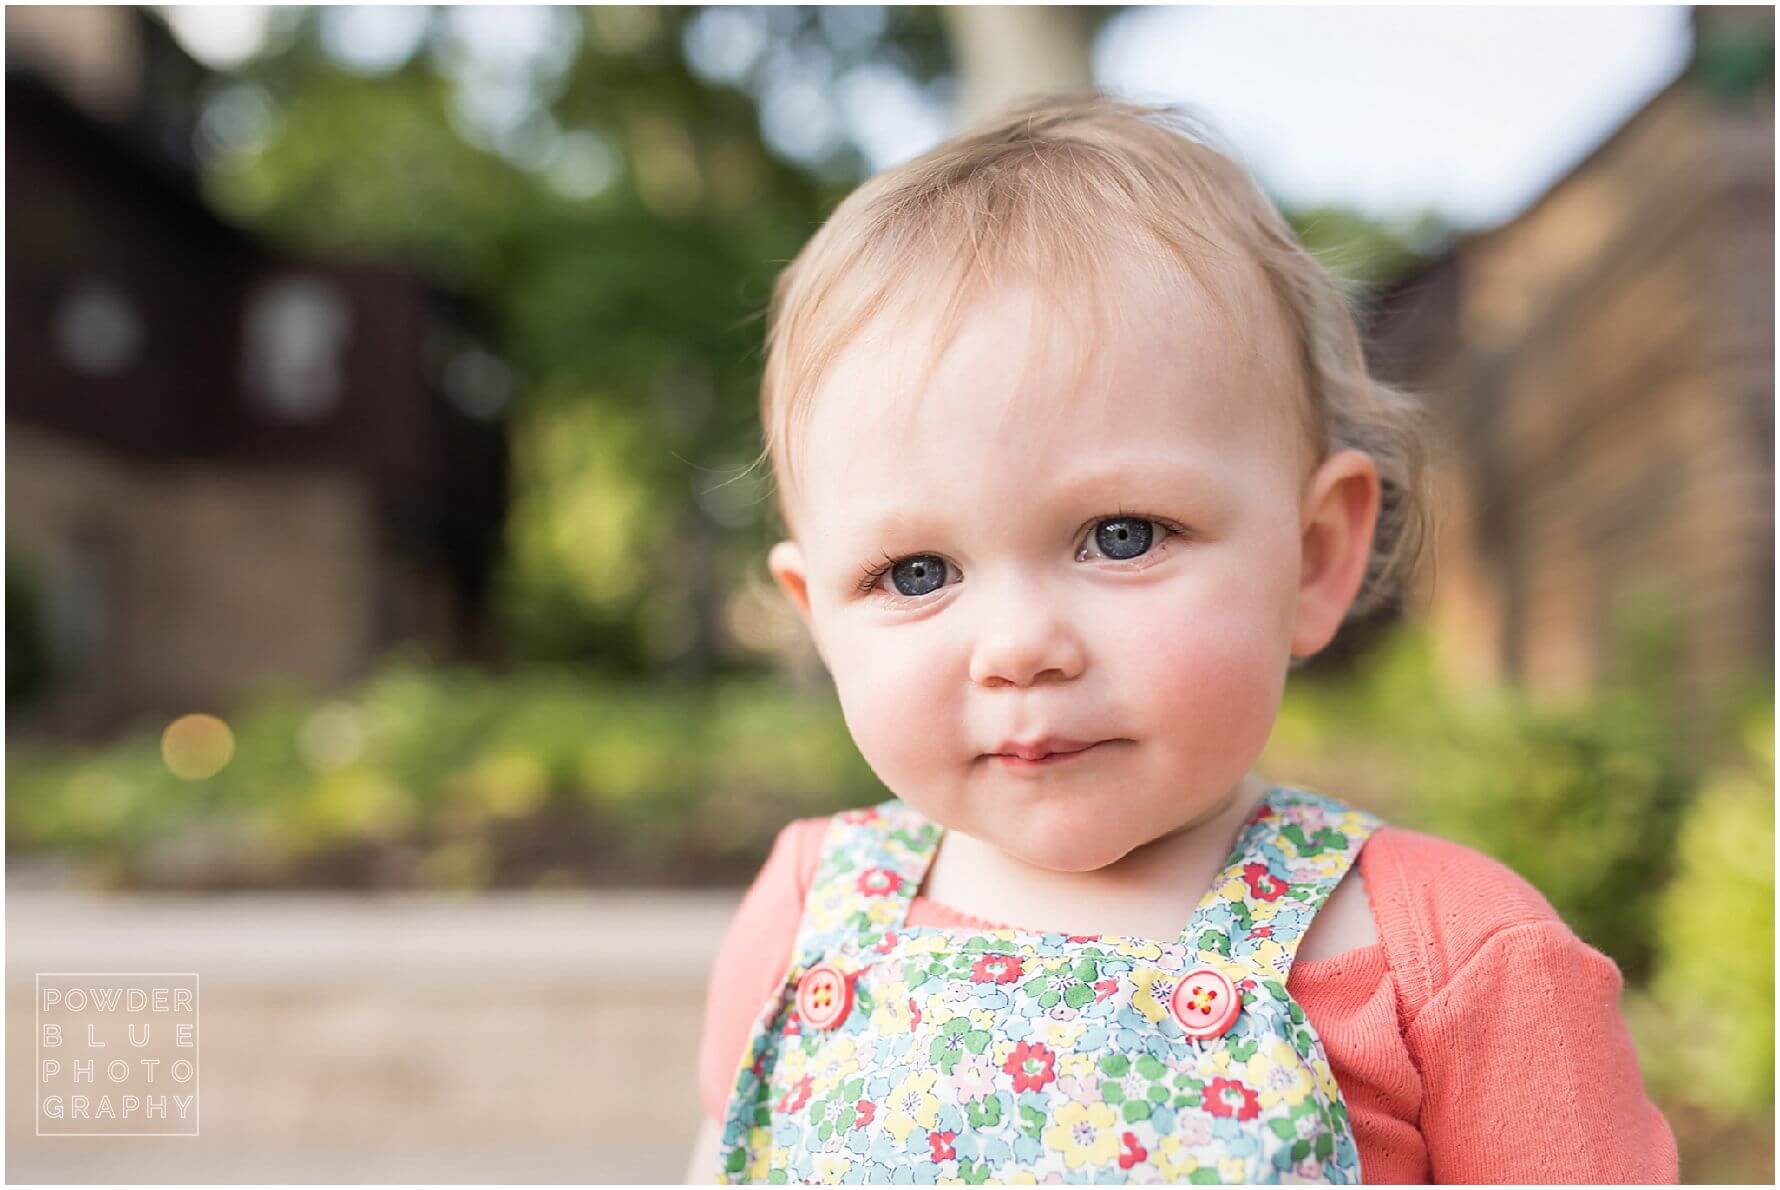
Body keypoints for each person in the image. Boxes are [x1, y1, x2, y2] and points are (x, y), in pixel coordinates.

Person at [685, 91, 1678, 1184]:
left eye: (1120, 535)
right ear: (819, 613)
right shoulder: (805, 909)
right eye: (915, 572)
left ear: (1313, 554)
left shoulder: (1444, 954)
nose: (1019, 645)